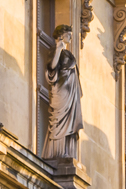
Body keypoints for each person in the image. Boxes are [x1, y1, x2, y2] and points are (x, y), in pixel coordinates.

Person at [43, 25, 82, 160]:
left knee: (70, 122)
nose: (71, 36)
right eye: (68, 34)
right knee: (59, 121)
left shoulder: (69, 54)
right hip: (61, 92)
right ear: (61, 35)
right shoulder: (55, 50)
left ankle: (67, 151)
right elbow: (52, 67)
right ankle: (57, 152)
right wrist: (59, 49)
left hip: (71, 93)